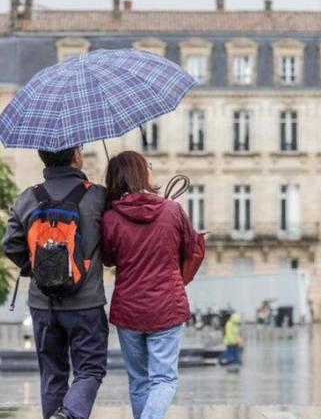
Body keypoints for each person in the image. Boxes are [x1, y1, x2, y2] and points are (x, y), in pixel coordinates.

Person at [2, 146, 108, 419]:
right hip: (86, 302)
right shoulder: (97, 196)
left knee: (52, 374)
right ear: (76, 156)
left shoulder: (28, 197)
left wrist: (37, 269)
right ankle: (70, 414)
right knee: (90, 369)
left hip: (43, 302)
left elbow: (10, 245)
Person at [101, 151, 199, 419]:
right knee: (164, 379)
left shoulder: (110, 217)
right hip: (167, 305)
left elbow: (108, 259)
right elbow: (190, 248)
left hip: (129, 309)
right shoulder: (172, 210)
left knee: (139, 380)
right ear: (142, 174)